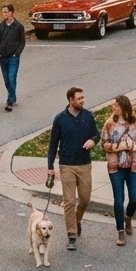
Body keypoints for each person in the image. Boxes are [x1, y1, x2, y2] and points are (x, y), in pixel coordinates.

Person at [47, 87, 100, 251]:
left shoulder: (88, 116)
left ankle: (76, 220)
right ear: (70, 100)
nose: (82, 101)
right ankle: (71, 235)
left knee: (85, 199)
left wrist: (93, 141)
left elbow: (96, 134)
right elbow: (53, 144)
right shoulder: (60, 119)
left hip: (84, 164)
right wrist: (50, 167)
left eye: (83, 98)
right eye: (79, 98)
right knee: (69, 201)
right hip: (67, 165)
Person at [101, 94, 136, 246]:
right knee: (118, 199)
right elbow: (104, 144)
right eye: (113, 105)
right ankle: (120, 230)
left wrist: (131, 145)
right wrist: (116, 147)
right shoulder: (109, 123)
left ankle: (128, 217)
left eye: (117, 106)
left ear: (124, 107)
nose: (114, 108)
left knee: (135, 198)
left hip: (133, 164)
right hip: (116, 167)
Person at [0, 3, 26, 112]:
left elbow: (22, 42)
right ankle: (13, 95)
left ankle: (10, 101)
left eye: (6, 12)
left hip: (13, 57)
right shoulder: (1, 26)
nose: (4, 14)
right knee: (6, 80)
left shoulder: (18, 27)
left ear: (11, 12)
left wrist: (17, 53)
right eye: (3, 12)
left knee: (12, 78)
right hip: (3, 56)